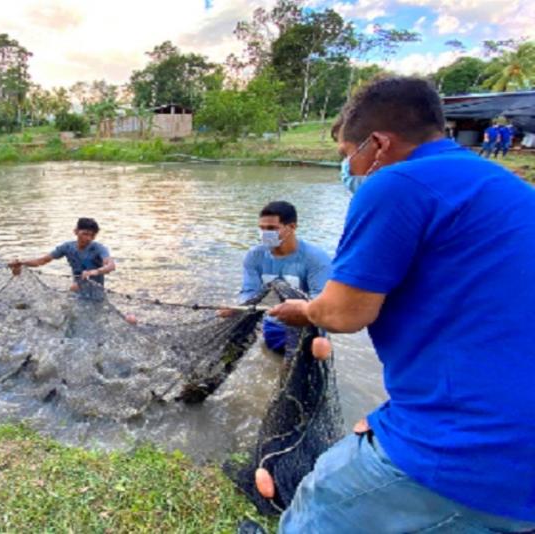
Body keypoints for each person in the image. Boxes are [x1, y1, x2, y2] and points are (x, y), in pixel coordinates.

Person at [270, 77, 535, 532]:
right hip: (513, 437)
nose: (348, 170)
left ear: (377, 144)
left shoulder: (397, 182)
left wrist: (305, 311)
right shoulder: (497, 183)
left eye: (346, 156)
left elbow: (344, 313)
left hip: (473, 447)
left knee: (320, 502)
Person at [219, 201, 331, 354]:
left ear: (291, 227)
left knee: (320, 349)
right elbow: (250, 291)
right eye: (262, 228)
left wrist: (304, 311)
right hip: (274, 323)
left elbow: (321, 300)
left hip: (306, 323)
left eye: (271, 228)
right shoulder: (255, 256)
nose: (265, 234)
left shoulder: (316, 258)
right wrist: (238, 308)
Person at [8, 217, 116, 291]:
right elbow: (41, 261)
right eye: (85, 234)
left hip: (96, 291)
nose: (88, 238)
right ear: (76, 231)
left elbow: (111, 266)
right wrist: (21, 262)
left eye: (92, 235)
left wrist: (95, 271)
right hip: (77, 288)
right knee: (74, 289)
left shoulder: (99, 248)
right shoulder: (67, 247)